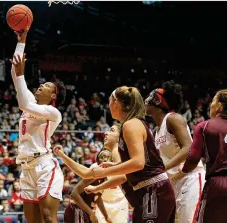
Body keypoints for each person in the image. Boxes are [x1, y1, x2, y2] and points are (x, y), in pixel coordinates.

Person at [55, 86, 176, 223]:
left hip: (153, 190)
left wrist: (102, 174)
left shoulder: (130, 124)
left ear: (116, 103)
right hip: (150, 191)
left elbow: (138, 162)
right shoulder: (132, 124)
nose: (108, 106)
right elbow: (142, 162)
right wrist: (115, 165)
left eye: (109, 101)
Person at [9, 27, 66, 223]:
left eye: (47, 86)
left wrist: (21, 74)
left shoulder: (53, 113)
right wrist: (21, 41)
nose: (41, 85)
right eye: (42, 84)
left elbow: (23, 98)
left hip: (44, 166)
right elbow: (15, 74)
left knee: (49, 217)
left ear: (53, 96)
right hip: (26, 168)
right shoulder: (31, 104)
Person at [145, 80, 205, 223]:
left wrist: (162, 169)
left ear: (158, 101)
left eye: (149, 97)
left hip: (189, 178)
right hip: (174, 182)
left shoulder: (173, 118)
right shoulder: (155, 131)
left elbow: (188, 147)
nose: (145, 101)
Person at [182, 89, 227, 223]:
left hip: (217, 185)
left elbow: (193, 159)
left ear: (219, 106)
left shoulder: (204, 126)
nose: (210, 105)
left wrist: (182, 170)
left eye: (213, 101)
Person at [64, 150, 112, 223]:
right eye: (102, 157)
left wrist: (106, 216)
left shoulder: (105, 178)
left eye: (108, 157)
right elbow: (74, 195)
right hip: (76, 209)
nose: (105, 159)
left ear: (111, 161)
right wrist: (91, 214)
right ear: (98, 160)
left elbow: (98, 198)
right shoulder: (93, 174)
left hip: (86, 211)